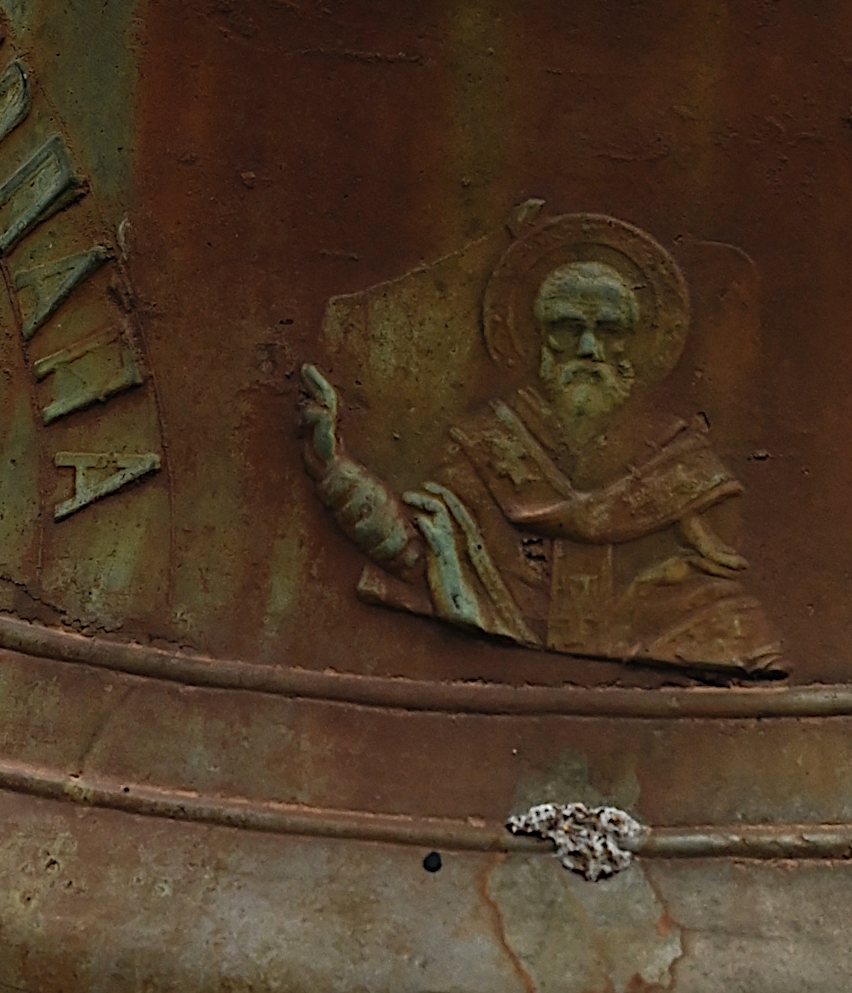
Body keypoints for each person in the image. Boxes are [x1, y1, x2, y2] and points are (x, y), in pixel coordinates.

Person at [299, 212, 784, 675]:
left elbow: (713, 596)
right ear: (537, 336)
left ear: (638, 341)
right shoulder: (484, 443)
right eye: (569, 328)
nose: (589, 348)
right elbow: (428, 555)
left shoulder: (683, 461)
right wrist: (338, 474)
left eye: (609, 330)